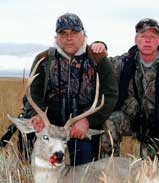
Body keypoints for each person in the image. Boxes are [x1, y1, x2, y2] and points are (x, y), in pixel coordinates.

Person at [19, 13, 118, 165]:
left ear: (83, 34)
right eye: (63, 33)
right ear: (57, 37)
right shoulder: (43, 60)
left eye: (74, 32)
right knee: (29, 146)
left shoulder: (98, 59)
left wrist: (88, 121)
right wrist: (36, 115)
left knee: (83, 171)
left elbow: (110, 95)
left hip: (81, 129)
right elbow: (33, 94)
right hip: (50, 126)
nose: (69, 37)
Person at [95, 18, 159, 164]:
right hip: (131, 120)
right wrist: (100, 45)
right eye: (143, 36)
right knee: (110, 123)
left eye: (152, 37)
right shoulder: (124, 62)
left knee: (155, 173)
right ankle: (109, 169)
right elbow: (100, 65)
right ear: (136, 40)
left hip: (158, 129)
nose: (147, 41)